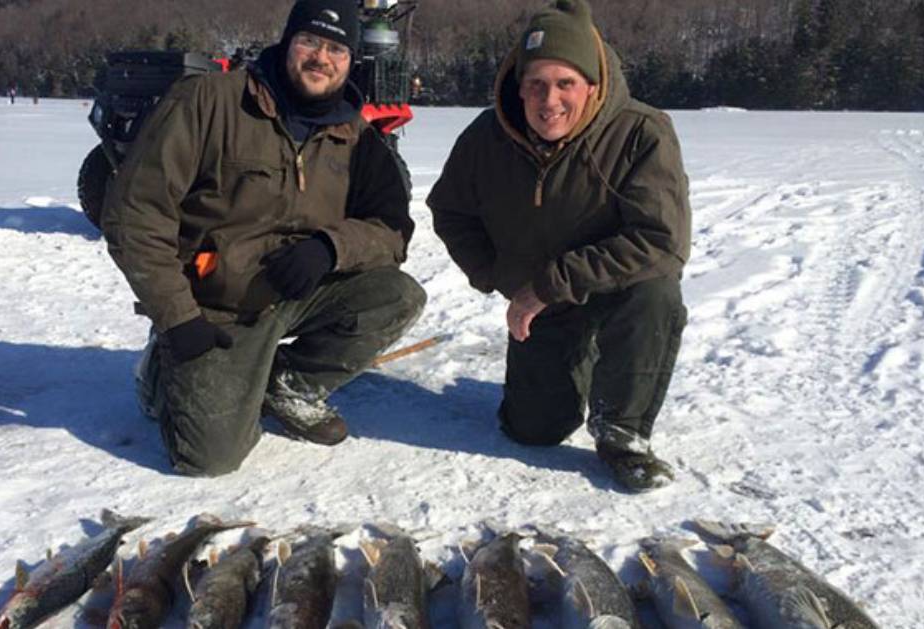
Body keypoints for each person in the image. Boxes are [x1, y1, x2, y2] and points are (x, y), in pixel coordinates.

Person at [101, 0, 425, 477]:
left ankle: (287, 383)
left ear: (352, 60)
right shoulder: (209, 102)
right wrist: (177, 318)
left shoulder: (355, 135)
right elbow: (135, 214)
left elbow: (393, 230)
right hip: (216, 304)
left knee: (396, 296)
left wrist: (329, 247)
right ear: (288, 41)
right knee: (209, 460)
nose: (322, 58)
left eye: (337, 48)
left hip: (297, 292)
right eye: (310, 41)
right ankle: (162, 368)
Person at [426, 0, 690, 492]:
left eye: (565, 83)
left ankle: (623, 433)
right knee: (532, 431)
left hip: (617, 292)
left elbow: (661, 240)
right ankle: (572, 366)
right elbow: (451, 210)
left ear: (592, 86)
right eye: (536, 84)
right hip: (539, 298)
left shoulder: (641, 131)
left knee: (657, 292)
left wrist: (549, 285)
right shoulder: (487, 136)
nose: (550, 100)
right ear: (518, 86)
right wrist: (497, 276)